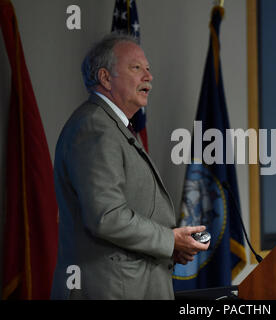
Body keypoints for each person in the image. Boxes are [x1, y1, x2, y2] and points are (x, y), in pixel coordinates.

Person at [51, 33, 209, 300]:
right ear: (104, 78)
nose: (148, 76)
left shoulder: (113, 127)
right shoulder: (94, 127)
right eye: (136, 68)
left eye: (148, 69)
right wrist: (169, 240)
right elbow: (108, 216)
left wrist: (170, 245)